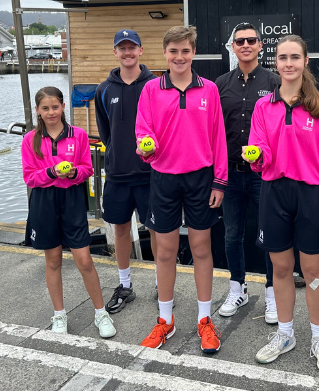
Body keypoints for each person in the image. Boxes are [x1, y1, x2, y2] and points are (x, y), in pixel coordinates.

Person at [246, 35, 319, 374]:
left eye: (294, 57)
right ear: (276, 62)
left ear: (305, 61)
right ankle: (285, 334)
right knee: (282, 269)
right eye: (283, 57)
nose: (288, 63)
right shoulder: (263, 106)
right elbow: (259, 154)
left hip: (311, 196)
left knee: (314, 270)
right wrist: (255, 157)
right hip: (274, 193)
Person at [135, 26, 227, 354]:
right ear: (164, 53)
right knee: (164, 251)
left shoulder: (210, 90)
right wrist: (144, 148)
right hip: (163, 178)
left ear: (193, 53)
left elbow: (218, 138)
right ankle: (165, 320)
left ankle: (204, 320)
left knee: (202, 249)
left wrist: (220, 180)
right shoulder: (150, 90)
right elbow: (143, 131)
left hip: (202, 178)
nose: (179, 57)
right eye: (173, 51)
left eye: (185, 51)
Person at [21, 86, 117, 339]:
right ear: (38, 111)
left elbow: (87, 168)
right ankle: (59, 314)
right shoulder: (30, 139)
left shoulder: (79, 135)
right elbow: (29, 177)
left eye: (55, 107)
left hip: (72, 199)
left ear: (63, 107)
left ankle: (100, 313)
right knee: (52, 260)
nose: (51, 112)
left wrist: (75, 172)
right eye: (45, 108)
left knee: (84, 260)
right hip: (44, 201)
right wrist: (52, 173)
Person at [215, 23, 279, 322]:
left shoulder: (275, 81)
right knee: (232, 234)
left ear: (260, 45)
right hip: (230, 172)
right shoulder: (220, 84)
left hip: (262, 172)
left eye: (251, 40)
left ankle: (272, 294)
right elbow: (213, 132)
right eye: (239, 41)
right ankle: (237, 288)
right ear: (233, 46)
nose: (245, 45)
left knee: (267, 234)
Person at [94, 29, 160, 315]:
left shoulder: (157, 85)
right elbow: (107, 133)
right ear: (115, 53)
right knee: (120, 230)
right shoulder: (103, 90)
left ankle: (161, 281)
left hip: (151, 174)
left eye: (132, 47)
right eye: (122, 48)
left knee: (158, 230)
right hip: (118, 175)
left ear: (141, 51)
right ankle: (124, 285)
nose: (128, 52)